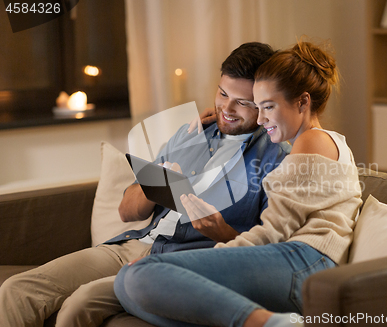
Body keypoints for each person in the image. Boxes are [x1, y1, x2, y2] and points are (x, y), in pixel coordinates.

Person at [0, 42, 291, 327]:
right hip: (136, 243)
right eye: (222, 93)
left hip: (184, 261)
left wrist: (222, 232)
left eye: (243, 102)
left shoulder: (276, 159)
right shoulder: (192, 133)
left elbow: (268, 252)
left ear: (266, 103)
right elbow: (127, 211)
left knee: (78, 305)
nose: (226, 108)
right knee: (16, 289)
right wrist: (160, 182)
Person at [114, 40, 363, 327]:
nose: (260, 118)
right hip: (292, 262)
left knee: (137, 276)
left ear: (303, 102)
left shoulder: (311, 141)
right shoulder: (320, 142)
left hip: (303, 262)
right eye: (257, 107)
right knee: (128, 289)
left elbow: (274, 232)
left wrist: (193, 263)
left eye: (267, 106)